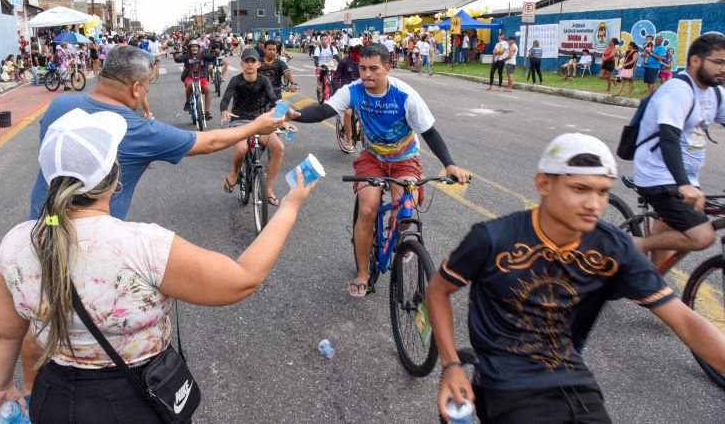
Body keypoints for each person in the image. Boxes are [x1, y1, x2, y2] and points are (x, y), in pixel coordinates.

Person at [0, 108, 315, 424]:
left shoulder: (15, 243)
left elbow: (4, 335)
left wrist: (0, 389)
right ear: (114, 177)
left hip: (52, 398)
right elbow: (243, 278)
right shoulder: (143, 245)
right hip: (133, 399)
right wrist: (291, 205)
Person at [426, 132, 725, 424]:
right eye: (580, 189)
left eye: (603, 191)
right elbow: (438, 290)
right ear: (544, 184)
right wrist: (451, 365)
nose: (594, 204)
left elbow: (684, 320)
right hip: (504, 385)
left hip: (575, 384)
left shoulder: (613, 248)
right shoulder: (492, 239)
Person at [289, 44, 470, 296]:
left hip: (404, 159)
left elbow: (429, 132)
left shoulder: (405, 95)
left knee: (407, 209)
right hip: (372, 158)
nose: (366, 74)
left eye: (373, 68)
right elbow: (323, 110)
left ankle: (394, 233)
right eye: (362, 68)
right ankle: (363, 273)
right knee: (367, 208)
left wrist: (448, 164)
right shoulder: (353, 91)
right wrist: (294, 114)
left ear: (388, 67)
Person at [631, 33, 725, 267]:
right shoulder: (678, 90)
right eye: (719, 62)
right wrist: (683, 184)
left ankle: (652, 287)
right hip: (659, 176)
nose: (724, 69)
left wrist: (686, 182)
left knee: (670, 227)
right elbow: (668, 138)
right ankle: (634, 244)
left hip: (685, 178)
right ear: (695, 60)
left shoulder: (715, 92)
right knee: (702, 236)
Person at [222, 48, 293, 205]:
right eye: (246, 61)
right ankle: (234, 173)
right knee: (241, 149)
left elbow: (275, 101)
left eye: (252, 61)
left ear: (258, 64)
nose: (249, 64)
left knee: (279, 148)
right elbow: (225, 99)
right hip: (239, 121)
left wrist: (284, 120)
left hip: (260, 121)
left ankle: (268, 189)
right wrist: (224, 111)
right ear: (242, 64)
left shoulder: (263, 80)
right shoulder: (236, 80)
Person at [333, 37, 363, 151]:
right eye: (355, 49)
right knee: (348, 112)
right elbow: (336, 78)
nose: (357, 51)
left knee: (364, 115)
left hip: (360, 92)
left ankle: (364, 140)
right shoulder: (344, 62)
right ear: (350, 49)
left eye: (359, 48)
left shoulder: (364, 61)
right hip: (347, 93)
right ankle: (349, 142)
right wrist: (338, 92)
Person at [174, 40, 212, 119]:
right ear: (189, 48)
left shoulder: (203, 54)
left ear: (198, 47)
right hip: (190, 77)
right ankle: (187, 102)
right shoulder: (186, 55)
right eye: (192, 46)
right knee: (189, 84)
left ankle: (207, 112)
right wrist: (175, 54)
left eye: (196, 46)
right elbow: (178, 60)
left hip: (201, 77)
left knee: (208, 89)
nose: (194, 48)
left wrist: (216, 53)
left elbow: (211, 57)